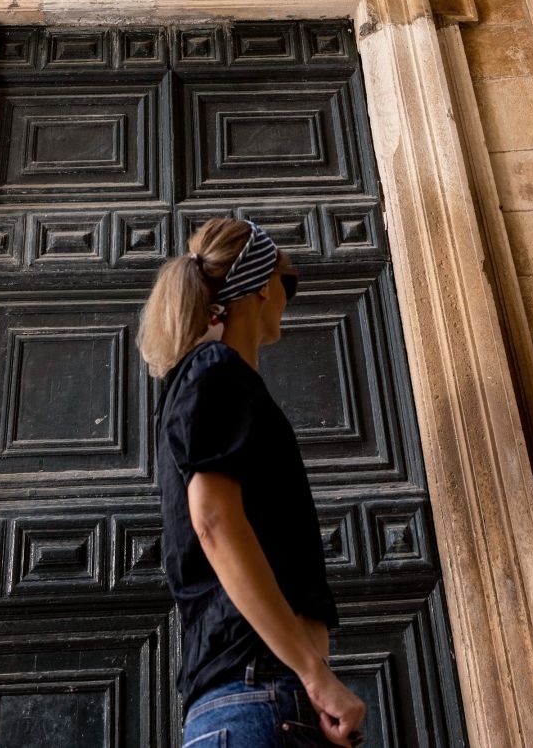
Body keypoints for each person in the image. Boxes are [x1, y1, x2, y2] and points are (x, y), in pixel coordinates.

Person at [140, 217, 367, 748]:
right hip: (258, 693)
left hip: (261, 698)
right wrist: (315, 674)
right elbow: (213, 520)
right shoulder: (216, 370)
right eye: (286, 284)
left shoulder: (208, 378)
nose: (287, 298)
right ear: (263, 286)